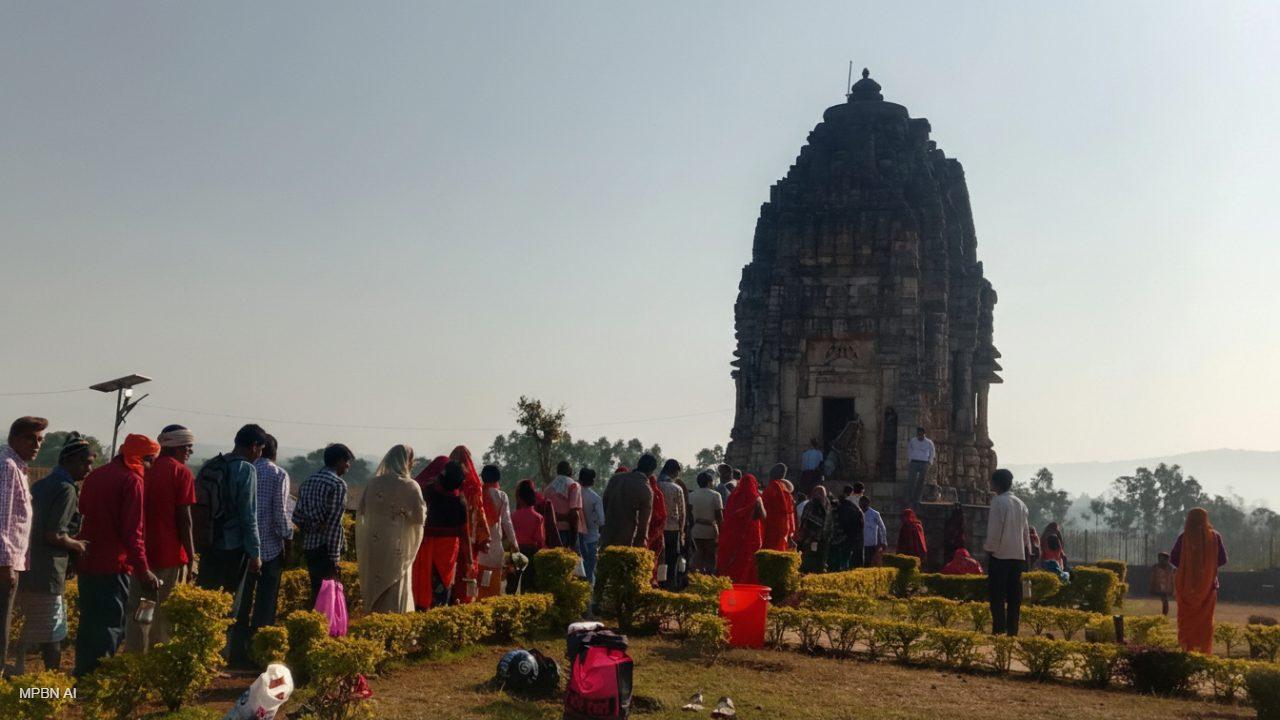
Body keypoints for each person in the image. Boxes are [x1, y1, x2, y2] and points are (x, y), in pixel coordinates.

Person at [75, 434, 161, 677]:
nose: (150, 467)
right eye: (150, 460)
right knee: (111, 625)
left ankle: (83, 674)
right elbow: (133, 533)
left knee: (89, 622)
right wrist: (143, 569)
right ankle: (99, 680)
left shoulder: (97, 475)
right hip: (114, 564)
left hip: (88, 560)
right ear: (140, 458)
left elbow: (83, 513)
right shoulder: (132, 481)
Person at [14, 432, 90, 674]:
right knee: (52, 631)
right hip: (48, 572)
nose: (89, 468)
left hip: (27, 567)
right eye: (85, 462)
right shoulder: (66, 489)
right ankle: (52, 686)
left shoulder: (43, 484)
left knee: (25, 627)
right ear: (69, 461)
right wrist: (78, 545)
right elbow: (54, 534)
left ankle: (18, 675)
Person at [195, 423, 266, 665]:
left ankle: (198, 652)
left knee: (206, 600)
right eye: (260, 449)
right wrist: (255, 552)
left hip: (209, 542)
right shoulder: (245, 470)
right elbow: (249, 515)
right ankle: (216, 657)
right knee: (227, 606)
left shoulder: (214, 464)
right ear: (254, 446)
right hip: (233, 546)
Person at [125, 424, 197, 654]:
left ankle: (135, 655)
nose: (189, 452)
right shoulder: (181, 473)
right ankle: (158, 658)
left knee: (139, 608)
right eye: (187, 447)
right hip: (169, 553)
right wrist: (191, 554)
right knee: (162, 611)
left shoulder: (144, 468)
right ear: (177, 446)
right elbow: (184, 518)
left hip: (140, 553)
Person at [357, 444, 426, 613]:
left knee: (375, 582)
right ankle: (394, 624)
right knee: (396, 583)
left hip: (374, 544)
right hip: (397, 546)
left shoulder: (373, 484)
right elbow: (419, 518)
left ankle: (373, 620)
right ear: (405, 462)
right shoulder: (410, 486)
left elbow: (363, 510)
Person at [1, 416, 45, 674]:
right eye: (30, 438)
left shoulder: (16, 467)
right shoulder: (7, 466)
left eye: (40, 440)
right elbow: (2, 518)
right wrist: (6, 563)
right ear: (14, 439)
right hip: (2, 564)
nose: (36, 445)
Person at [239, 433, 292, 645]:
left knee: (242, 599)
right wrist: (288, 541)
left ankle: (237, 645)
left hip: (243, 546)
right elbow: (280, 514)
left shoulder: (244, 469)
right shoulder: (278, 474)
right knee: (266, 601)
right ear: (274, 451)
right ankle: (260, 644)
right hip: (270, 548)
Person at [292, 442, 351, 607]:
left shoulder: (309, 481)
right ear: (339, 461)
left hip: (310, 545)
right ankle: (326, 628)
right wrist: (334, 557)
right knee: (328, 595)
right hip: (327, 547)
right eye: (347, 461)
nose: (348, 466)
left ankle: (313, 626)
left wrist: (312, 527)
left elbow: (296, 516)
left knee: (316, 590)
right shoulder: (338, 484)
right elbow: (333, 523)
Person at [1170, 507, 1228, 653]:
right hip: (1209, 587)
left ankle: (1187, 650)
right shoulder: (1215, 537)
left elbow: (1174, 559)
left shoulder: (1184, 538)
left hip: (1185, 588)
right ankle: (1203, 653)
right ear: (1205, 519)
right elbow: (1222, 560)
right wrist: (1206, 569)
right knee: (1205, 623)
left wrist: (1189, 570)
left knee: (1187, 621)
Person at [415, 460, 471, 608]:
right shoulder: (460, 502)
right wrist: (470, 561)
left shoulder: (428, 493)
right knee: (442, 589)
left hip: (425, 549)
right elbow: (464, 533)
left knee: (423, 584)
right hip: (447, 554)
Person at [984, 468, 1031, 637]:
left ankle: (999, 628)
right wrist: (1028, 552)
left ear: (997, 483)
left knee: (997, 595)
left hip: (1000, 555)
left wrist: (989, 549)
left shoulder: (998, 502)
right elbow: (1026, 532)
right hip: (1018, 556)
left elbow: (995, 529)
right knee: (1014, 596)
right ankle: (1013, 629)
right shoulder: (1020, 503)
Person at [448, 446, 491, 604]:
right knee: (466, 576)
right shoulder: (474, 485)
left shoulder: (447, 481)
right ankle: (464, 609)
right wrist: (484, 538)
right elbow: (480, 512)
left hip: (448, 537)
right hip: (469, 540)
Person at [477, 464, 517, 598]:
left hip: (477, 546)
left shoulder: (476, 494)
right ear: (498, 478)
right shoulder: (501, 496)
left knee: (477, 587)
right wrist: (514, 543)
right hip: (494, 546)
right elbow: (506, 521)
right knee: (492, 588)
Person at [716, 473, 765, 583]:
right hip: (751, 535)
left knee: (734, 561)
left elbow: (728, 515)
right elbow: (762, 515)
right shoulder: (756, 497)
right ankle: (746, 585)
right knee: (749, 562)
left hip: (734, 536)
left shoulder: (733, 496)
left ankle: (730, 583)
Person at [600, 455, 655, 548]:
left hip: (607, 535)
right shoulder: (645, 489)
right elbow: (643, 524)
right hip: (626, 540)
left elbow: (604, 505)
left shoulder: (615, 479)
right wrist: (639, 547)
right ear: (651, 472)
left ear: (638, 464)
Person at [509, 479, 547, 593]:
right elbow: (539, 538)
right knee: (528, 584)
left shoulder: (513, 516)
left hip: (516, 550)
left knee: (512, 583)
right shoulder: (538, 517)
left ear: (520, 499)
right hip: (531, 551)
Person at [688, 471, 724, 574]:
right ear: (709, 482)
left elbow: (689, 514)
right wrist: (722, 532)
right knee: (710, 557)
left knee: (698, 555)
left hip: (695, 529)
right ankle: (709, 579)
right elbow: (719, 516)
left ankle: (695, 578)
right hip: (710, 530)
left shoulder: (691, 495)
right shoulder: (716, 495)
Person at [657, 460, 685, 590]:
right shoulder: (676, 488)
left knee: (659, 557)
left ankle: (659, 582)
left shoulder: (655, 485)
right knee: (671, 558)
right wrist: (682, 532)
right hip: (673, 529)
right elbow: (682, 512)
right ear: (674, 472)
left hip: (657, 528)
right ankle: (669, 584)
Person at [545, 460, 584, 551]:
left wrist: (557, 516)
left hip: (552, 532)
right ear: (570, 471)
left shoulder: (548, 488)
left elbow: (548, 513)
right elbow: (574, 514)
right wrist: (573, 542)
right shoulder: (574, 486)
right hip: (568, 531)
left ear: (557, 471)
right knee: (573, 562)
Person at [578, 468, 605, 585]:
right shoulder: (595, 498)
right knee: (589, 570)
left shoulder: (574, 494)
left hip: (576, 538)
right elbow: (602, 520)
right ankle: (588, 597)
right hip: (592, 538)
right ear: (592, 481)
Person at [828, 485, 864, 571]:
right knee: (844, 563)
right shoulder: (854, 507)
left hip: (835, 540)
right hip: (848, 540)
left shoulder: (835, 507)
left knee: (833, 563)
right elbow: (860, 524)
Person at [797, 486, 832, 573]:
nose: (818, 496)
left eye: (820, 494)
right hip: (810, 542)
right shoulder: (810, 505)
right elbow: (804, 523)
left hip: (822, 541)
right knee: (808, 564)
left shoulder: (828, 506)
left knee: (820, 564)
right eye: (816, 494)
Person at [761, 464, 795, 551]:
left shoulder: (771, 488)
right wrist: (790, 534)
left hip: (770, 529)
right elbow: (790, 514)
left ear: (772, 474)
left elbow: (762, 510)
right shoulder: (786, 490)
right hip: (783, 530)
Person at [645, 468, 668, 584]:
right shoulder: (658, 494)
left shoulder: (645, 492)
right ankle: (656, 581)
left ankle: (647, 580)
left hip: (645, 532)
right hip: (657, 533)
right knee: (656, 558)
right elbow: (663, 515)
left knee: (646, 558)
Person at [906, 426, 936, 504]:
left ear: (924, 434)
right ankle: (910, 498)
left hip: (924, 463)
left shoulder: (929, 442)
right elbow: (909, 450)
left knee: (921, 481)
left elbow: (932, 452)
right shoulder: (913, 441)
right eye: (919, 433)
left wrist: (930, 462)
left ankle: (917, 499)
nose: (920, 435)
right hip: (914, 462)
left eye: (921, 433)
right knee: (911, 481)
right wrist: (910, 460)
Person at [860, 495, 887, 567]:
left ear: (868, 503)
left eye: (864, 502)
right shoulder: (858, 512)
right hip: (860, 543)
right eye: (861, 502)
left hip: (871, 543)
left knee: (869, 562)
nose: (862, 504)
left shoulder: (875, 514)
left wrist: (883, 542)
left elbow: (882, 528)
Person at [1150, 551, 1174, 616]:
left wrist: (1172, 589)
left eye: (1163, 558)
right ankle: (1164, 614)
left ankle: (1164, 614)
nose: (1161, 560)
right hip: (1160, 587)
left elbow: (1172, 579)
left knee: (1165, 601)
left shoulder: (1169, 568)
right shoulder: (1155, 567)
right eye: (1160, 558)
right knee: (1164, 601)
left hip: (1165, 587)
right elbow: (1153, 578)